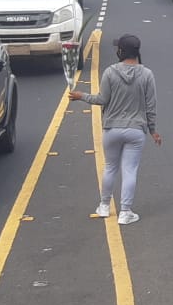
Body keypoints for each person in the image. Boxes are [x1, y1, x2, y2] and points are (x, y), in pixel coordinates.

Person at [68, 34, 160, 225]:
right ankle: (125, 212)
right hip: (136, 130)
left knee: (110, 167)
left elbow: (102, 100)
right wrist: (153, 131)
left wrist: (80, 96)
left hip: (112, 129)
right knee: (129, 170)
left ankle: (103, 206)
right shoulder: (147, 75)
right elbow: (151, 106)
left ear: (121, 51)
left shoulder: (110, 72)